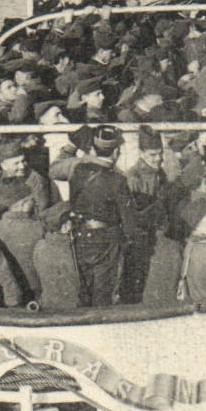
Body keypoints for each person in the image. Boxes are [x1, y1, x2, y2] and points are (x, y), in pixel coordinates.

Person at [66, 125, 134, 306]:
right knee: (104, 292)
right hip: (106, 240)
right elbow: (129, 222)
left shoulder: (78, 172)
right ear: (117, 151)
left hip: (80, 235)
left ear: (94, 149)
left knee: (84, 288)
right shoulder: (117, 180)